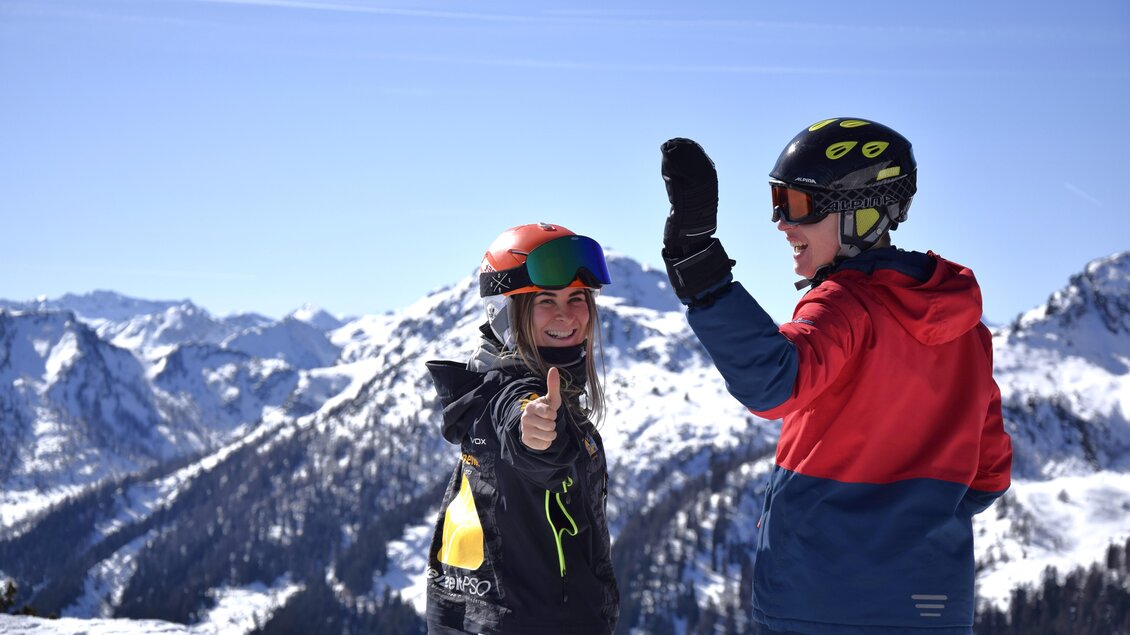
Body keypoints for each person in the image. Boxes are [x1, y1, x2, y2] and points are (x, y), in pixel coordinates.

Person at [657, 118, 1013, 635]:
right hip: (933, 606)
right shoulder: (968, 332)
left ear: (859, 211)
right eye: (777, 201)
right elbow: (989, 475)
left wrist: (698, 263)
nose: (781, 223)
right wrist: (915, 518)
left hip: (824, 601)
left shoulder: (848, 304)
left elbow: (774, 382)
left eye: (796, 204)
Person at [423, 222, 619, 635]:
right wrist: (536, 432)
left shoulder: (484, 390)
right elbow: (523, 432)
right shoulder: (513, 397)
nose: (566, 315)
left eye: (577, 298)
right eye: (546, 300)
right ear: (507, 314)